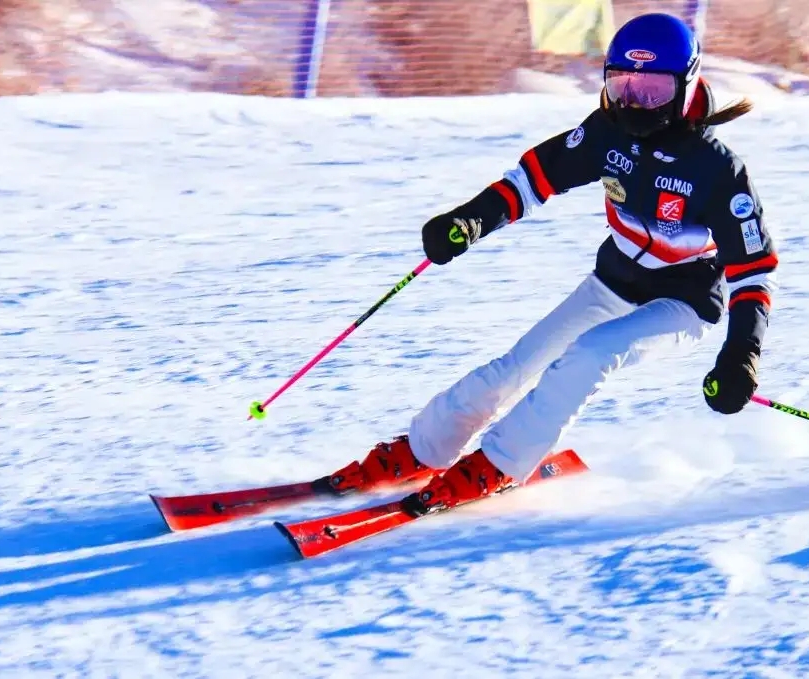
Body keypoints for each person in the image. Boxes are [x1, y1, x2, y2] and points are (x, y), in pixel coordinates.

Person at [326, 12, 779, 516]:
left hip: (682, 304)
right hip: (614, 281)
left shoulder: (716, 167)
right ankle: (421, 450)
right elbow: (534, 178)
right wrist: (469, 221)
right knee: (515, 366)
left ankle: (499, 462)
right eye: (622, 85)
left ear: (685, 86)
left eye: (652, 90)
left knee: (589, 354)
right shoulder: (608, 131)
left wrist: (742, 354)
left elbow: (752, 270)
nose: (635, 102)